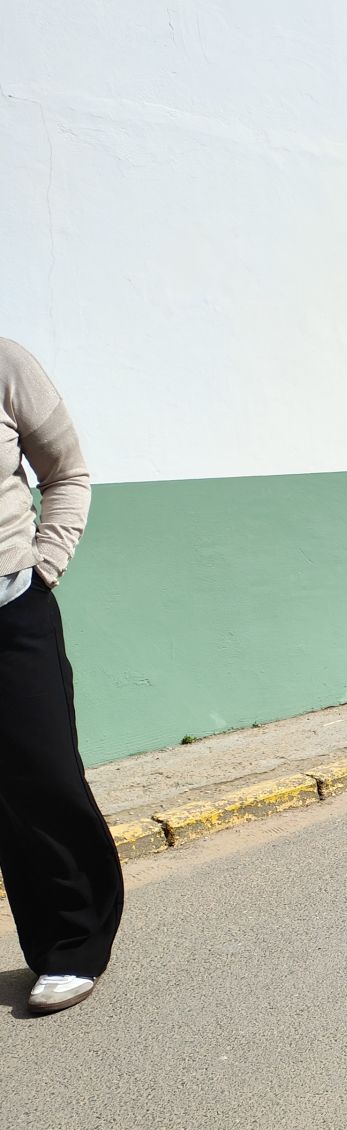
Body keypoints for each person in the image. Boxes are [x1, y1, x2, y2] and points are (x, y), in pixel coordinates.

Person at [0, 337, 122, 1015]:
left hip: (12, 614)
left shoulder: (6, 365)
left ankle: (73, 943)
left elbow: (68, 473)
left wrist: (45, 563)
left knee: (44, 780)